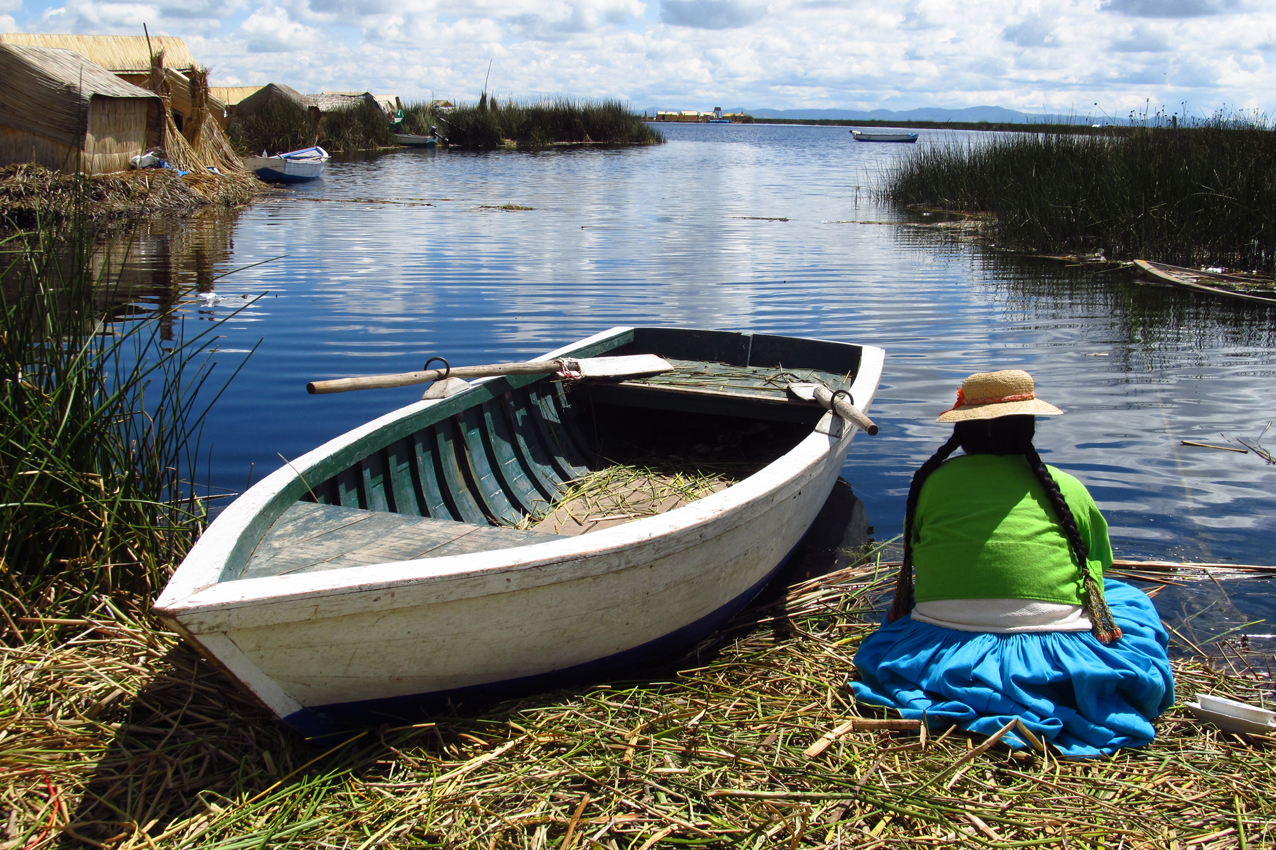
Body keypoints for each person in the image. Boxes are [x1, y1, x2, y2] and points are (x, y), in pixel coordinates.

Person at [851, 369, 1174, 757]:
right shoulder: (1066, 486)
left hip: (944, 640)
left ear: (963, 432)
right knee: (1130, 600)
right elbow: (1096, 570)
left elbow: (922, 555)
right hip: (1052, 650)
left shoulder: (931, 482)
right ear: (1029, 428)